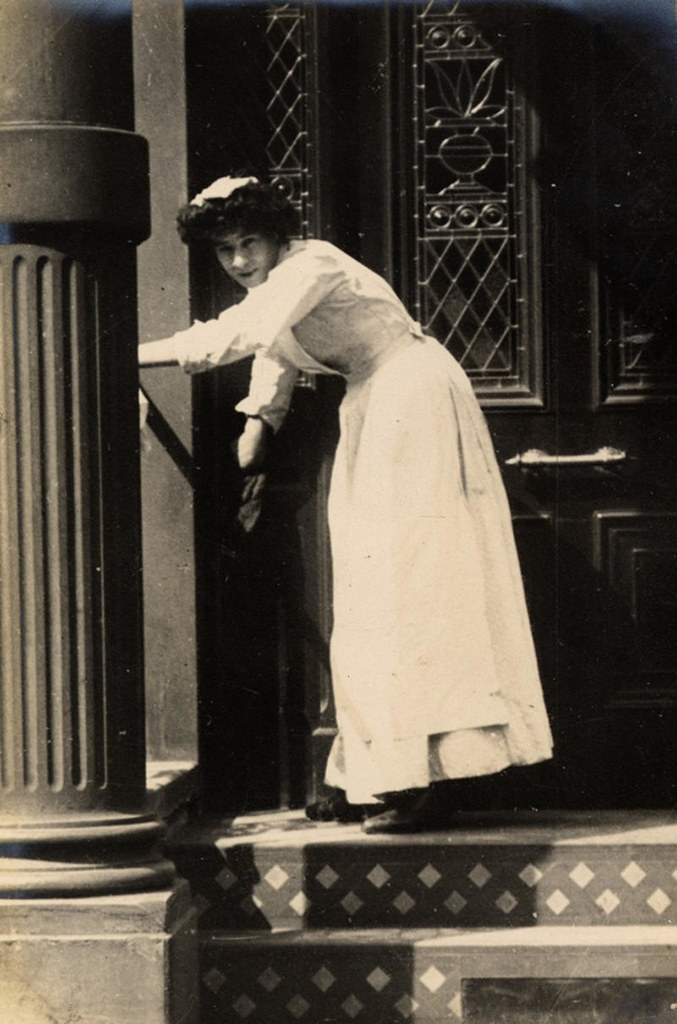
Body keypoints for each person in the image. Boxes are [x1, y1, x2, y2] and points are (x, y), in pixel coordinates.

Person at [139, 176, 553, 833]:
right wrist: (258, 425)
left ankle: (422, 778)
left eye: (250, 243)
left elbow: (239, 336)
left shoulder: (314, 263)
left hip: (411, 399)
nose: (240, 260)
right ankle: (371, 771)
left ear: (278, 235)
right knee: (370, 592)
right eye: (225, 250)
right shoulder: (279, 285)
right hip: (375, 405)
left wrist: (123, 356)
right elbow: (275, 352)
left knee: (407, 585)